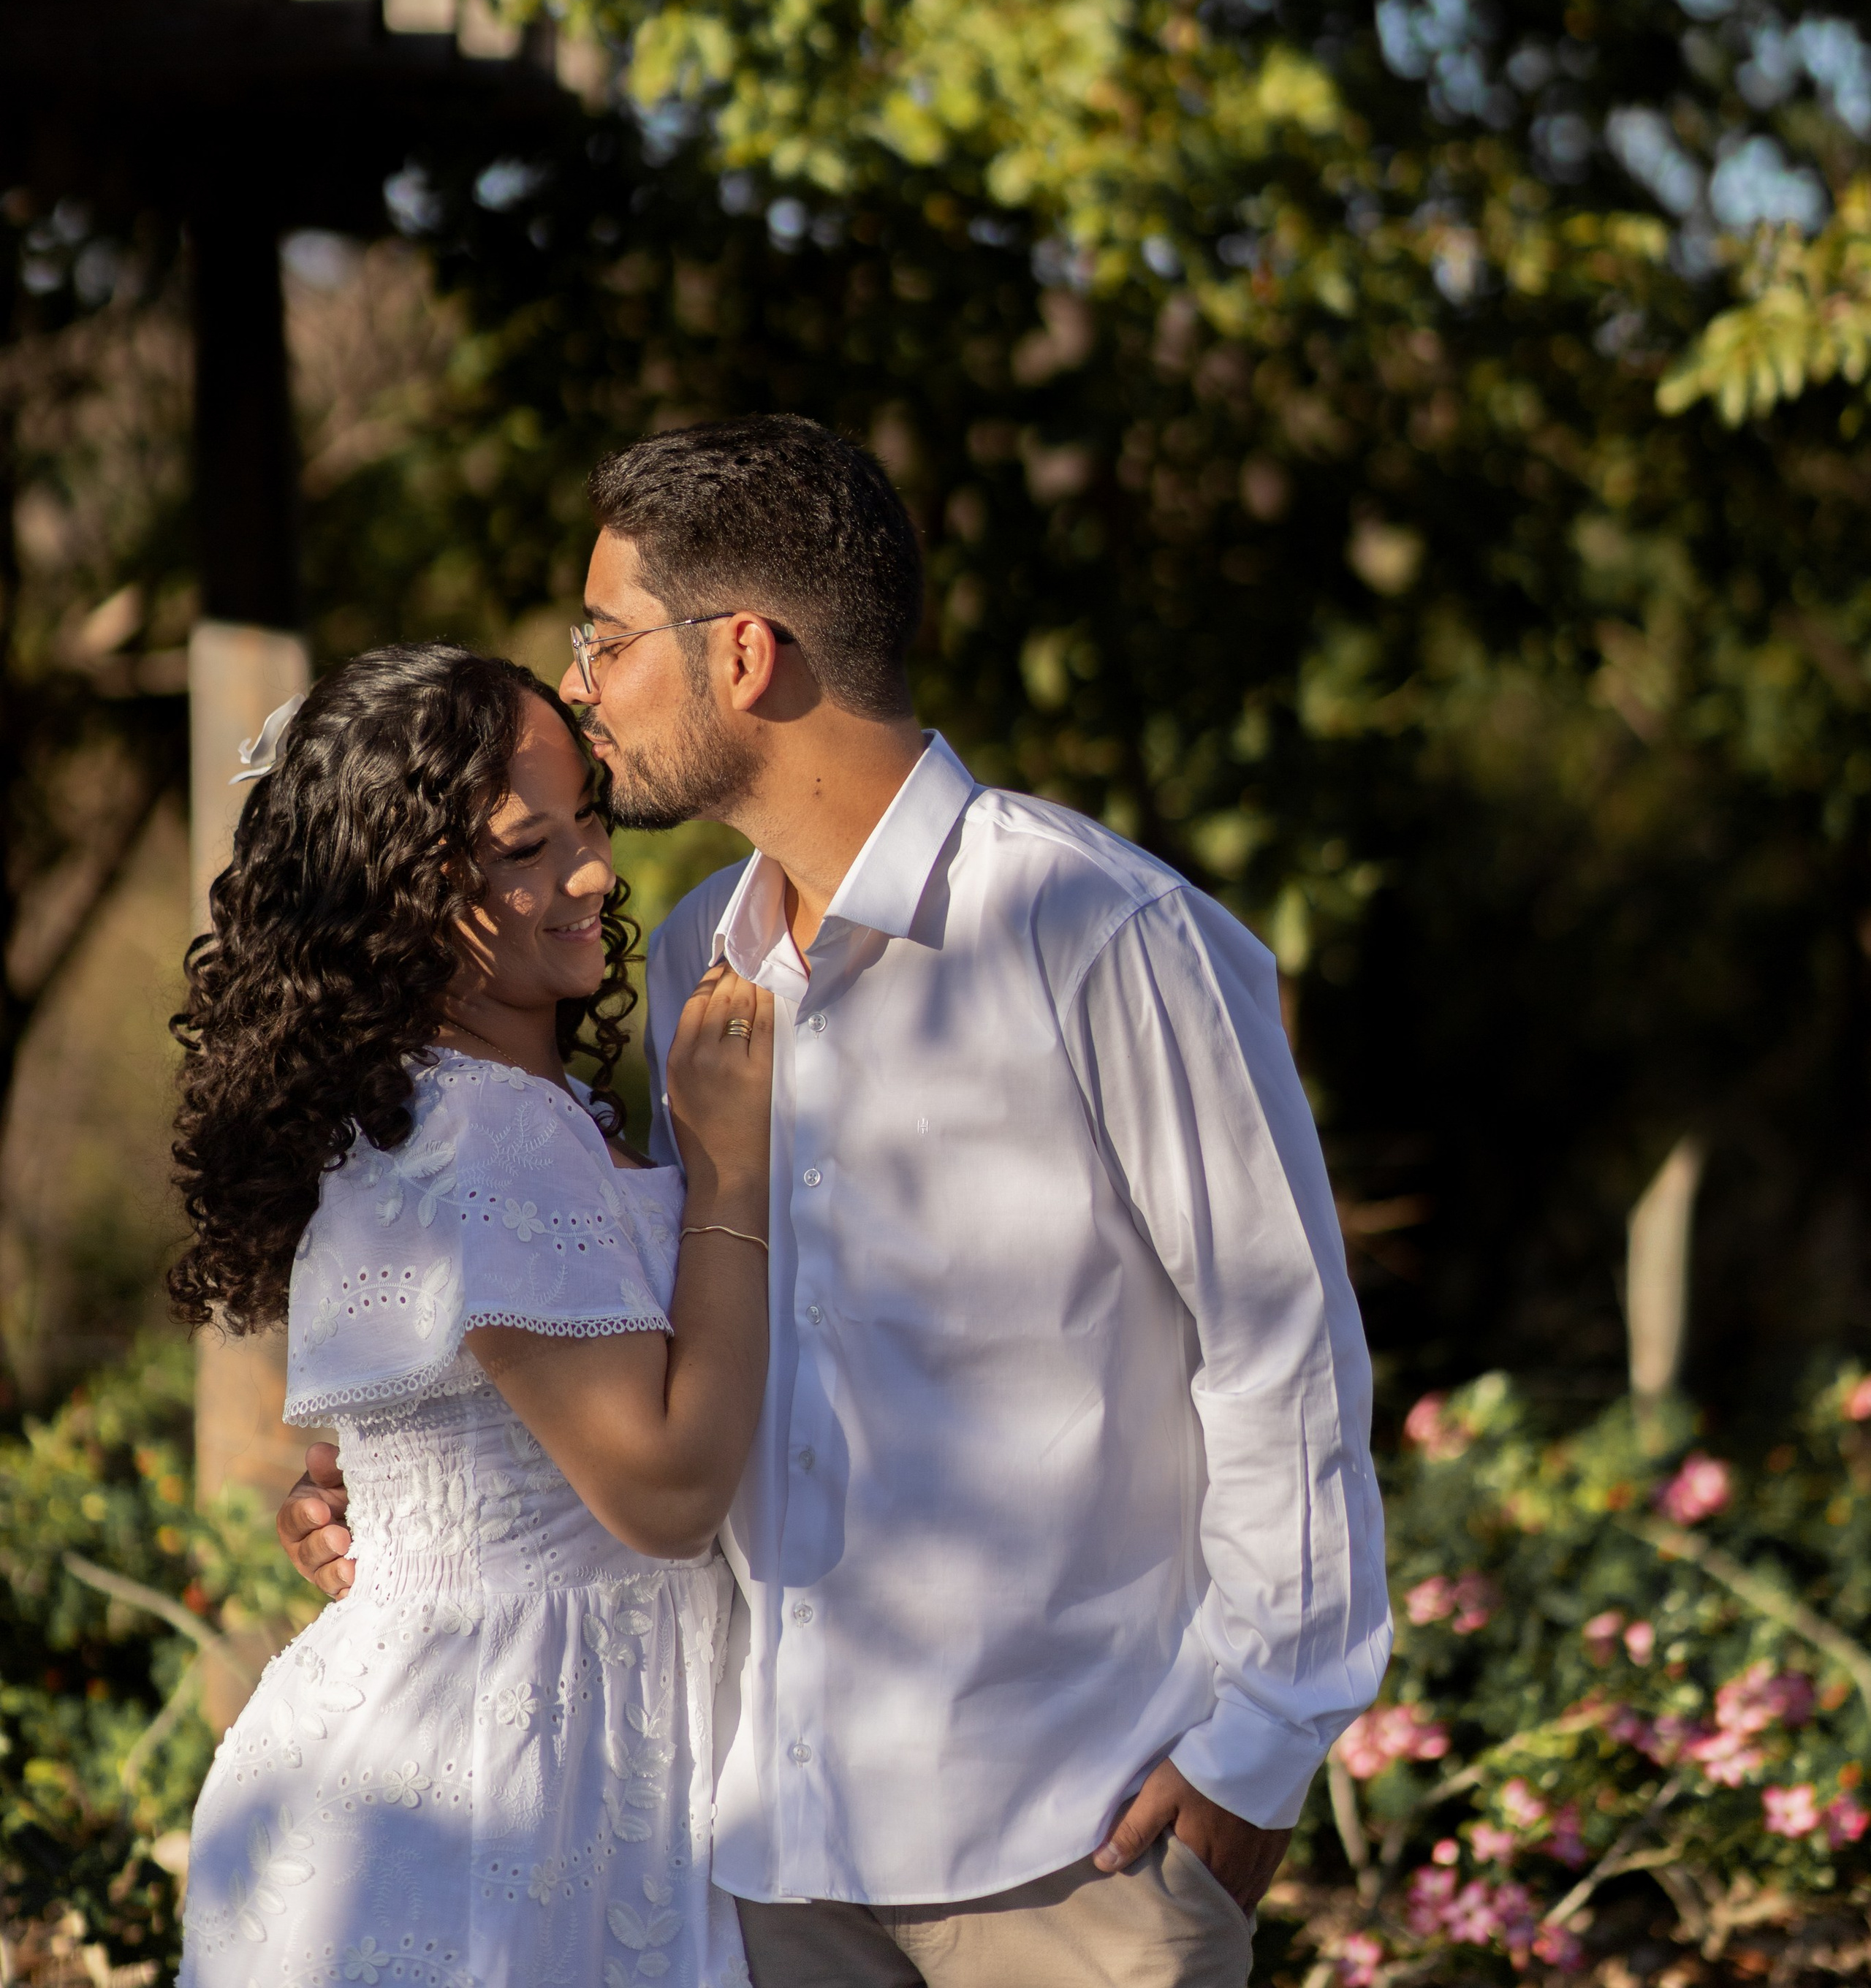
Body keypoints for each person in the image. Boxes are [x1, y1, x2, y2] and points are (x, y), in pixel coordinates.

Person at [282, 417, 1391, 1988]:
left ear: (743, 652)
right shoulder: (686, 966)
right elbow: (655, 1348)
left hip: (1071, 1854)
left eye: (604, 639)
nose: (581, 686)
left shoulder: (1099, 929)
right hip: (762, 1863)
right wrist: (410, 1476)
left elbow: (1278, 1350)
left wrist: (1250, 1767)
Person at [172, 643, 775, 1988]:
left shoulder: (430, 1104)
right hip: (509, 1795)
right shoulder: (488, 1128)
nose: (596, 874)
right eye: (526, 847)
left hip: (445, 1759)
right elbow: (668, 1491)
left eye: (591, 825)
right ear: (409, 889)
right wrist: (733, 1169)